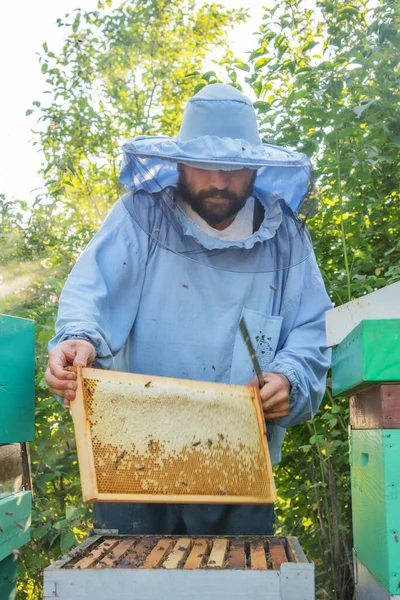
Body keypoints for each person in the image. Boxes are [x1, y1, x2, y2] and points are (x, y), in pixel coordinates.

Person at [46, 84, 332, 536]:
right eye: (203, 166)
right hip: (134, 462)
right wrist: (77, 340)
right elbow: (90, 293)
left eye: (234, 168)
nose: (218, 182)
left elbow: (310, 330)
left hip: (239, 468)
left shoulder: (286, 238)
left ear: (255, 166)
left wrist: (289, 378)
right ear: (179, 162)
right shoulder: (140, 218)